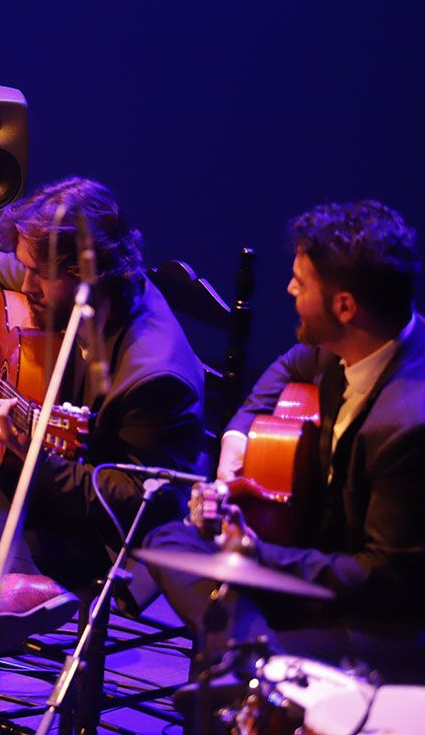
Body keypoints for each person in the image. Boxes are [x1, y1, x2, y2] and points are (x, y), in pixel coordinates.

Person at [0, 177, 207, 733]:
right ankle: (18, 580)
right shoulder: (77, 294)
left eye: (37, 274)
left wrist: (33, 461)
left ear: (82, 274)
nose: (24, 282)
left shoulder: (153, 373)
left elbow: (134, 504)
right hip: (52, 479)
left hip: (112, 535)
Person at [145, 199, 425, 684]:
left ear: (344, 306)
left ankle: (241, 652)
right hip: (314, 565)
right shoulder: (355, 344)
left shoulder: (408, 424)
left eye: (301, 281)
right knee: (169, 537)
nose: (288, 288)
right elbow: (289, 365)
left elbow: (385, 578)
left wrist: (254, 554)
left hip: (380, 623)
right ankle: (243, 644)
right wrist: (237, 435)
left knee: (224, 673)